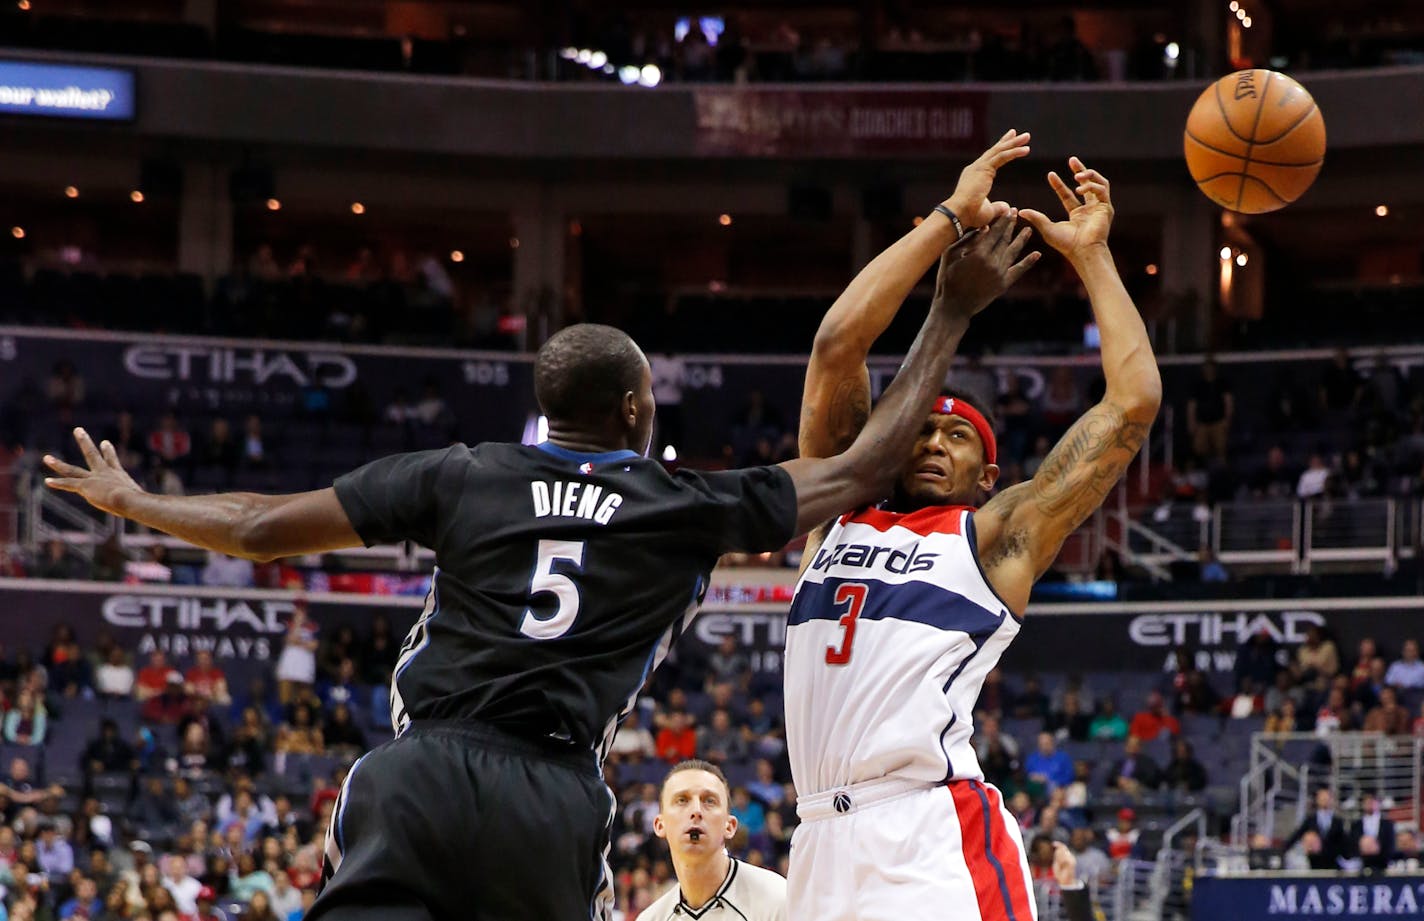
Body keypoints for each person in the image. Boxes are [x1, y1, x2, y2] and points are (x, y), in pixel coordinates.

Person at [44, 253, 979, 921]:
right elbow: (864, 466)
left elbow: (256, 529)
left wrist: (136, 501)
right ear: (632, 411)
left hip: (419, 774)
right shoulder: (677, 501)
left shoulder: (463, 473)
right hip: (551, 790)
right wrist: (950, 311)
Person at [786, 148, 1160, 921]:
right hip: (819, 837)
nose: (931, 442)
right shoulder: (839, 507)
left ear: (988, 476)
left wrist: (1091, 255)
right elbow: (835, 348)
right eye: (921, 430)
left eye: (957, 439)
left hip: (929, 832)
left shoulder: (995, 534)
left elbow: (1132, 402)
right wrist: (946, 222)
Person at [640, 760, 786, 920]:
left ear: (729, 826)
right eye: (682, 800)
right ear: (660, 825)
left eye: (709, 801)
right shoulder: (651, 918)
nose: (696, 811)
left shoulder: (777, 899)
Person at [1284, 788, 1350, 870]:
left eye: (1327, 798)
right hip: (1314, 862)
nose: (1325, 800)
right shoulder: (1310, 819)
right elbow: (1297, 835)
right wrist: (1284, 849)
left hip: (1332, 862)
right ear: (1317, 800)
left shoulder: (1337, 822)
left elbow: (1344, 842)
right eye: (1322, 798)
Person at [1351, 792, 1396, 871]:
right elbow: (1352, 843)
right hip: (1360, 866)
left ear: (1378, 803)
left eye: (1372, 801)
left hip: (1383, 865)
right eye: (1367, 802)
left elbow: (1390, 844)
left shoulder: (1387, 824)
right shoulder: (1356, 824)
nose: (1370, 804)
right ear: (1362, 804)